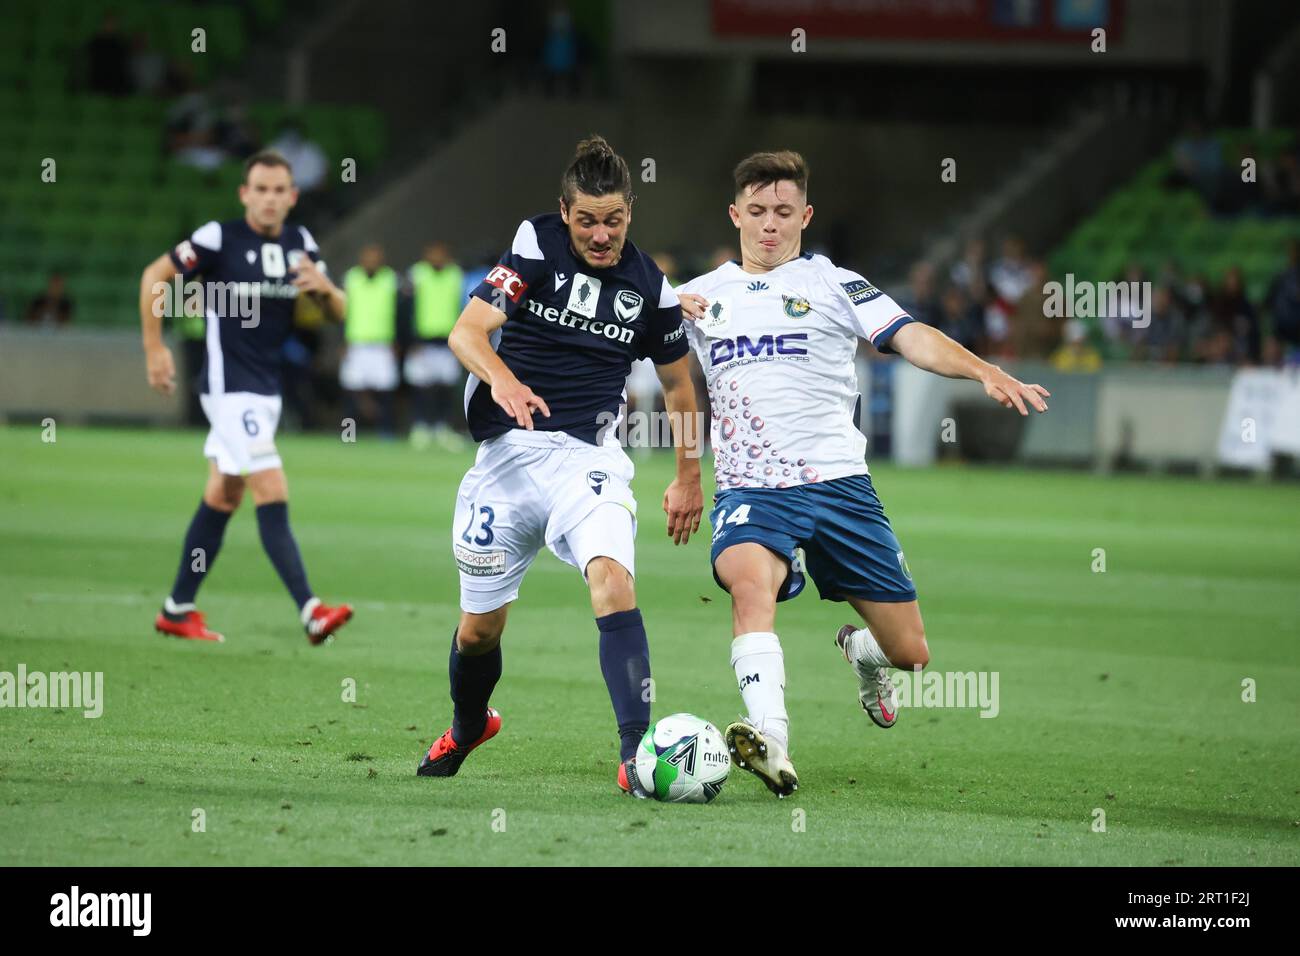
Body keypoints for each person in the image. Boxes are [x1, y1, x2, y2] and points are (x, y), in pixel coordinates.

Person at [675, 151, 1050, 797]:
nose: (770, 226)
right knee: (747, 584)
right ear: (735, 213)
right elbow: (674, 383)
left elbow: (910, 336)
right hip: (752, 489)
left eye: (784, 213)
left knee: (911, 654)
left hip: (841, 487)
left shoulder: (832, 283)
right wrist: (687, 473)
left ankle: (862, 653)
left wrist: (985, 368)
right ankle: (773, 742)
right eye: (758, 212)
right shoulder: (699, 299)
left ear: (806, 216)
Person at [416, 136, 703, 793]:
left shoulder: (650, 289)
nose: (601, 236)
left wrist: (689, 476)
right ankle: (468, 726)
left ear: (630, 213)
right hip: (507, 458)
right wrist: (504, 382)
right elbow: (466, 333)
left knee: (613, 584)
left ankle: (636, 757)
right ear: (564, 212)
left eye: (614, 221)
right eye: (587, 220)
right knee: (479, 631)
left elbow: (679, 389)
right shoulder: (534, 248)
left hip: (588, 462)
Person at [139, 150, 355, 645]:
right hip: (227, 387)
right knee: (271, 488)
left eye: (280, 190)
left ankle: (176, 608)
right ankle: (310, 610)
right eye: (260, 189)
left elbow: (337, 312)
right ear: (244, 194)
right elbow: (155, 277)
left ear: (293, 196)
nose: (270, 198)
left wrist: (324, 289)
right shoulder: (219, 237)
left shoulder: (301, 243)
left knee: (224, 493)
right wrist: (154, 348)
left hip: (265, 391)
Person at [404, 241, 466, 449]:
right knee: (422, 386)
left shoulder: (455, 275)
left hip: (448, 340)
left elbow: (463, 305)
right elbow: (407, 308)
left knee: (446, 386)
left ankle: (442, 427)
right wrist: (411, 339)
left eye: (441, 254)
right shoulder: (417, 274)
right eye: (433, 254)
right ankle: (421, 426)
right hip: (423, 340)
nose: (437, 258)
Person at [339, 244, 399, 438]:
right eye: (368, 257)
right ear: (361, 259)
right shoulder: (351, 278)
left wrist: (397, 340)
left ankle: (386, 432)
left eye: (375, 257)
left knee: (386, 390)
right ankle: (349, 432)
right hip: (356, 342)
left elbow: (399, 312)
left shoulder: (391, 279)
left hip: (383, 343)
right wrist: (342, 341)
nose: (372, 261)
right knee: (351, 389)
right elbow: (342, 312)